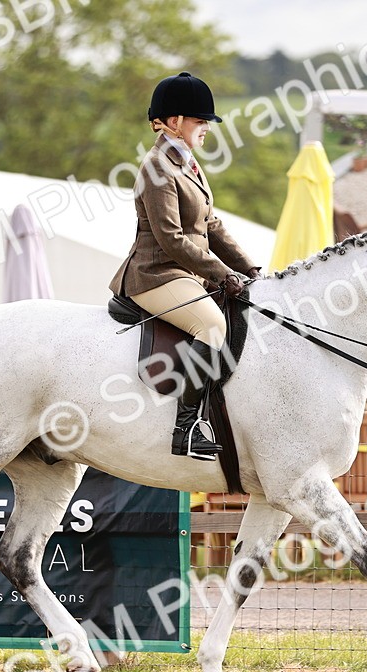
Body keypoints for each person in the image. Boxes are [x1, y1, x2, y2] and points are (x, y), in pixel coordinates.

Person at [109, 72, 262, 461]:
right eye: (199, 120)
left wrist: (251, 269)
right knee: (211, 325)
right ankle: (188, 427)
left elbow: (210, 225)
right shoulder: (157, 166)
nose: (207, 127)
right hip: (156, 274)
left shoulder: (186, 162)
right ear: (173, 121)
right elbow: (171, 238)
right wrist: (222, 274)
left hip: (185, 272)